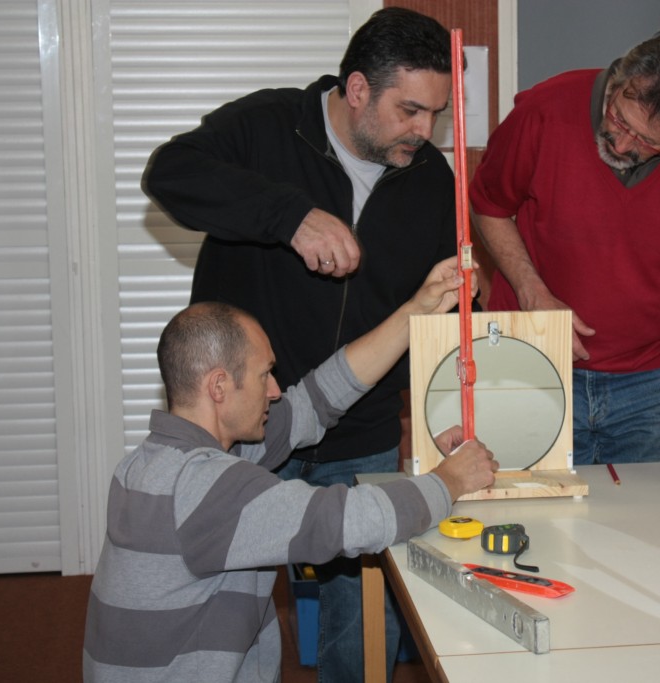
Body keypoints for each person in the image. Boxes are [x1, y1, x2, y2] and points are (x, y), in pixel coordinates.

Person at [141, 7, 458, 681]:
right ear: (358, 89)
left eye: (436, 113)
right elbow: (169, 173)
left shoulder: (432, 178)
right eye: (409, 110)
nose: (425, 132)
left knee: (364, 619)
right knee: (234, 608)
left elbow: (435, 313)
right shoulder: (270, 125)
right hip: (255, 425)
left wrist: (445, 406)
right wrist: (288, 216)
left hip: (364, 425)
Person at [82, 258, 498, 683]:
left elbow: (316, 399)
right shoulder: (206, 488)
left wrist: (416, 310)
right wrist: (450, 480)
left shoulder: (156, 462)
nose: (275, 389)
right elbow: (348, 520)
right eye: (264, 375)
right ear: (219, 386)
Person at [469, 29, 660, 465]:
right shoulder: (546, 110)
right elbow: (488, 204)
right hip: (531, 364)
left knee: (650, 509)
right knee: (527, 505)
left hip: (650, 389)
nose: (623, 144)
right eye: (619, 119)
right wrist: (532, 291)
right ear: (617, 80)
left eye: (648, 142)